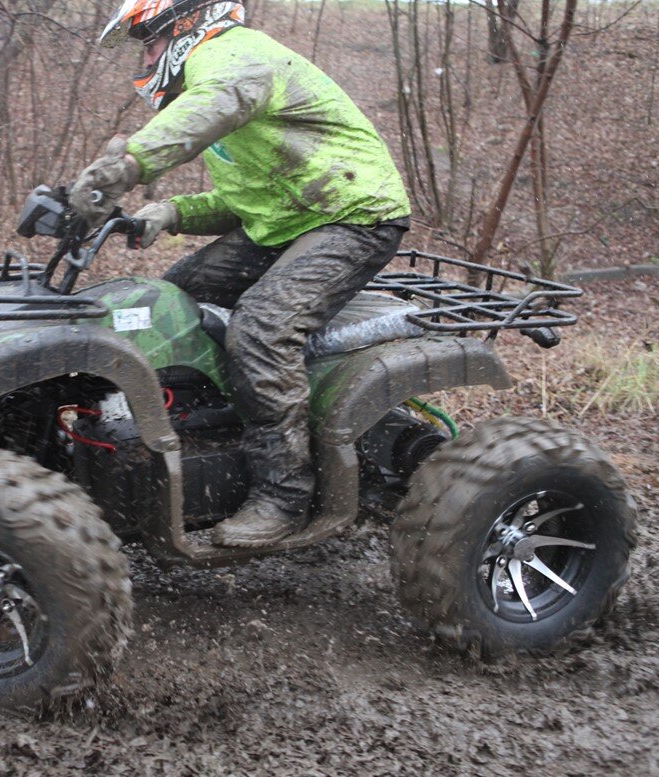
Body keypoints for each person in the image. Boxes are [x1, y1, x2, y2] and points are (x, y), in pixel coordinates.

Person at [69, 0, 411, 548]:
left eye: (149, 42)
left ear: (184, 26)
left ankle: (283, 496)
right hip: (293, 219)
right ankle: (206, 430)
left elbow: (211, 105)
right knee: (178, 295)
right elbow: (245, 201)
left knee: (260, 329)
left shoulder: (236, 58)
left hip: (352, 214)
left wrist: (125, 166)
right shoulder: (222, 89)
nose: (147, 57)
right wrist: (171, 212)